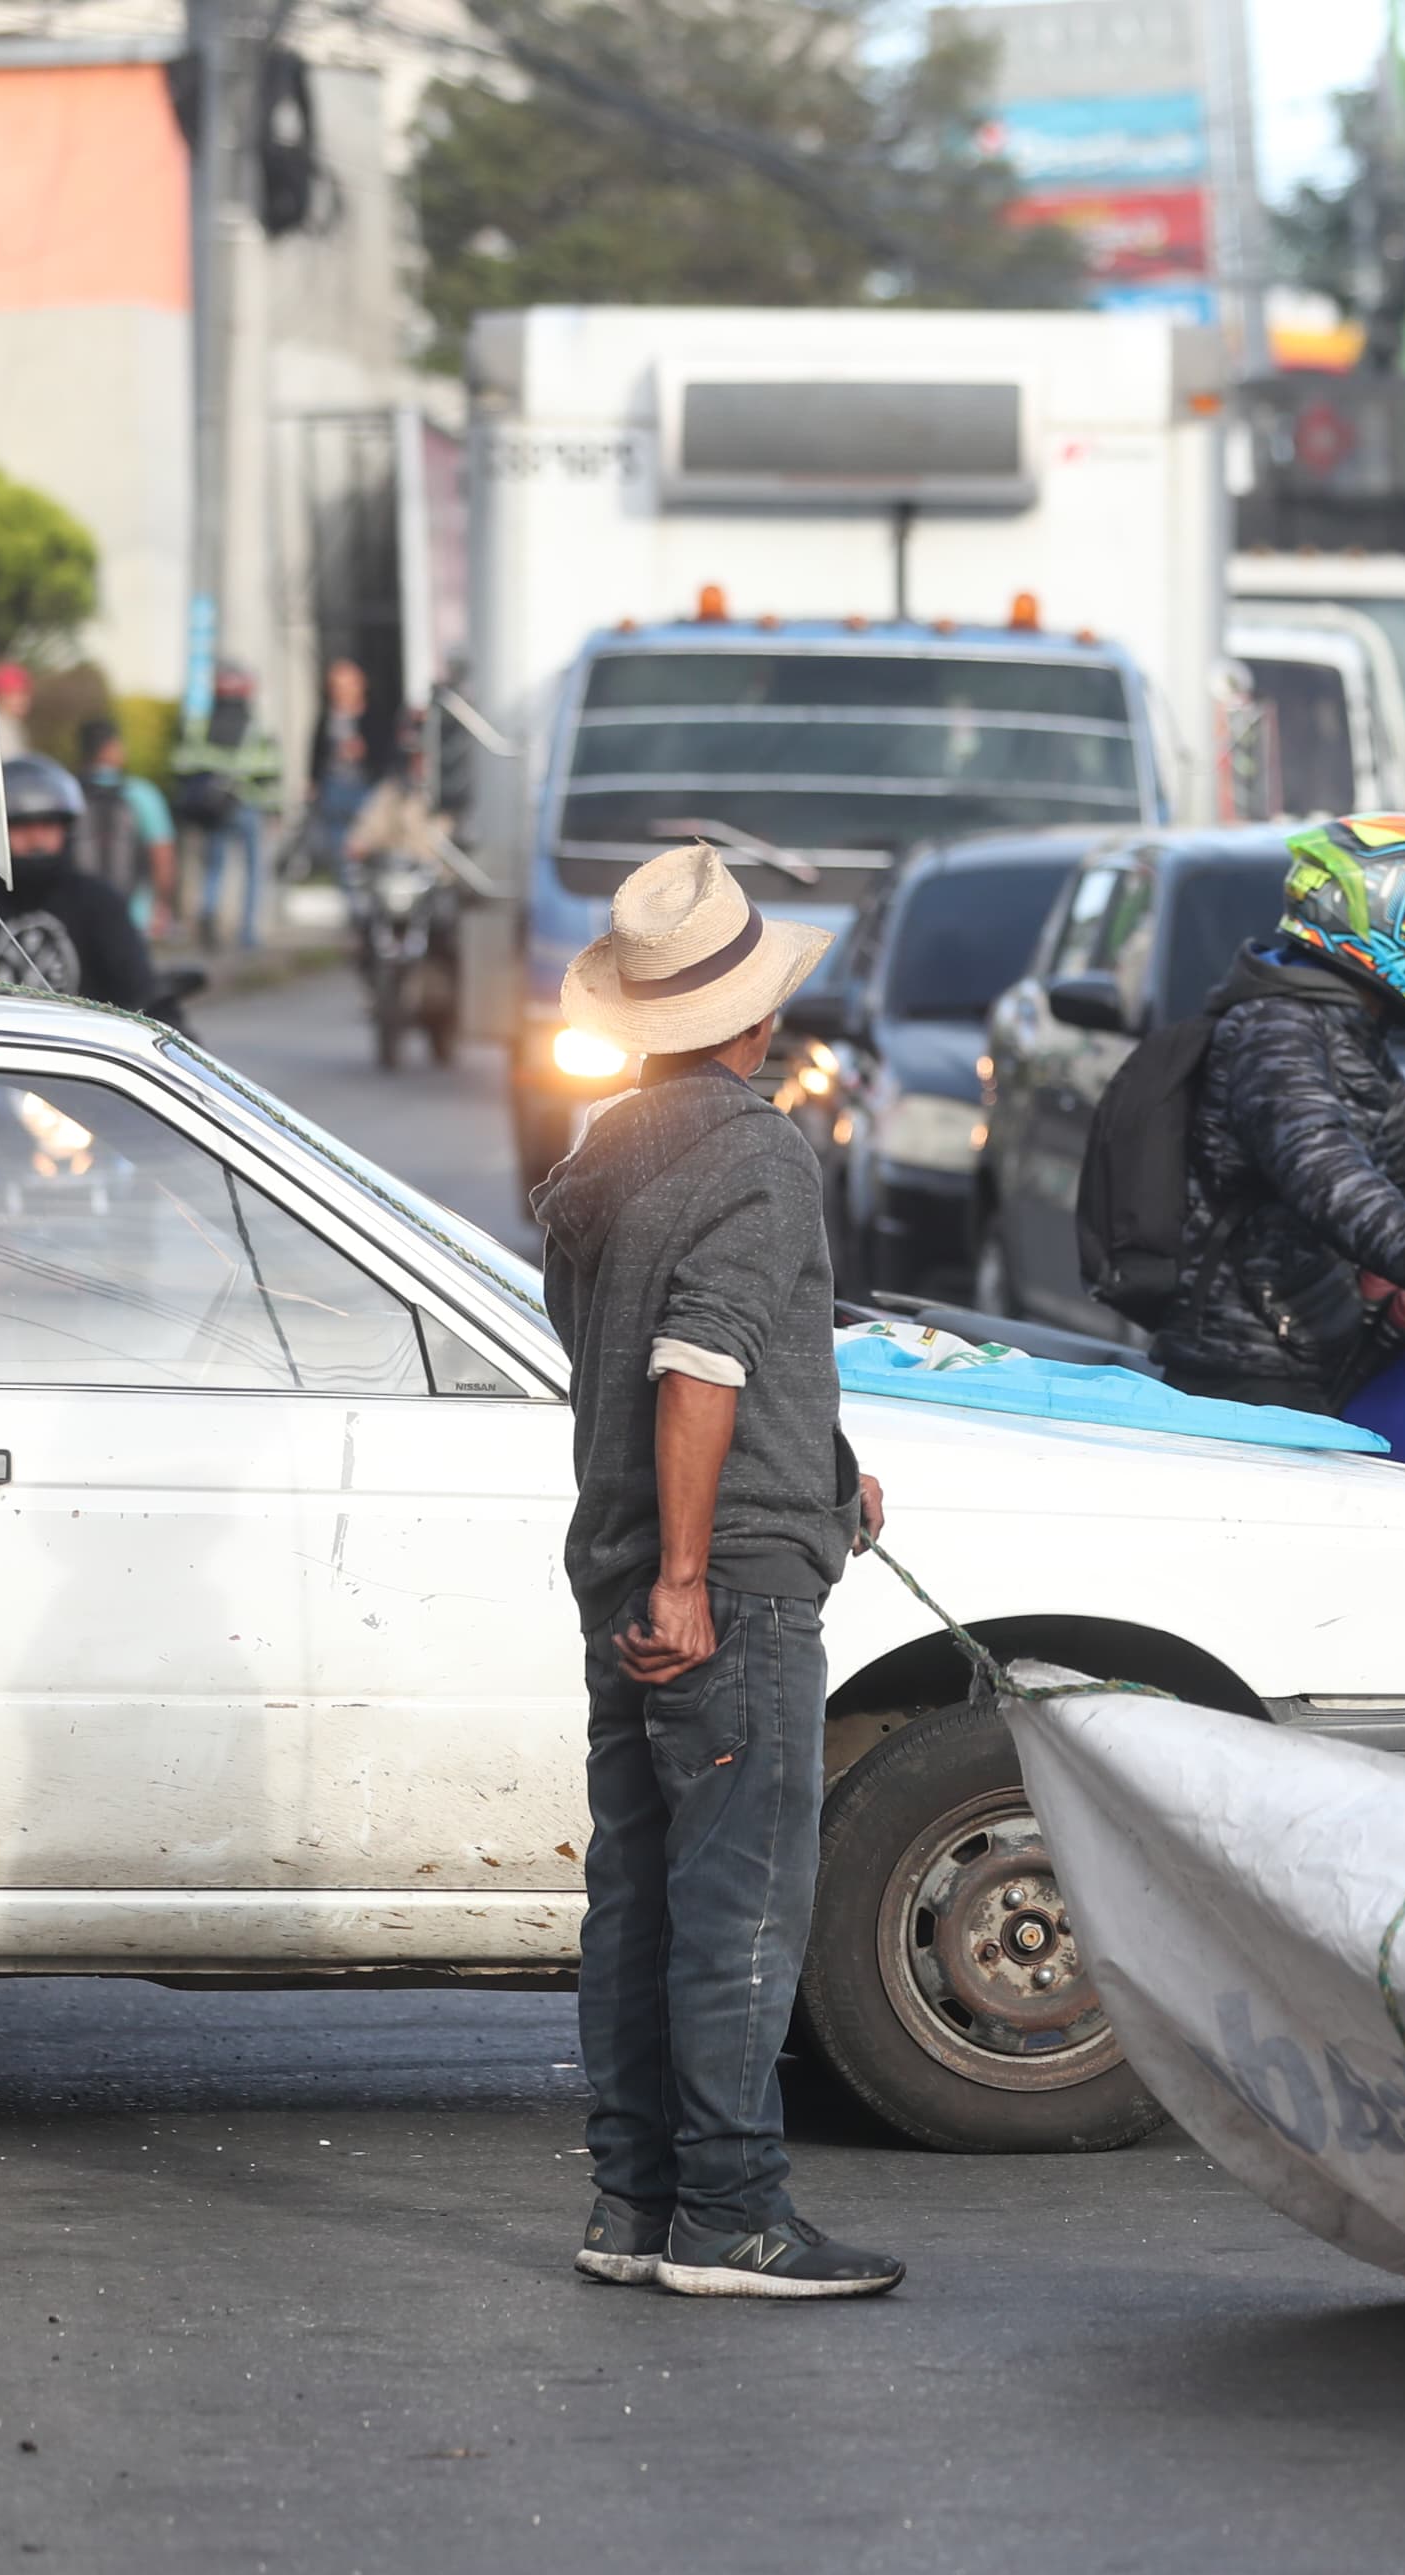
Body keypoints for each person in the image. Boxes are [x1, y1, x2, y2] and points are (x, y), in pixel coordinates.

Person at [529, 842, 903, 2302]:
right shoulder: (757, 1149)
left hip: (622, 1552)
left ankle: (632, 2202)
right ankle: (733, 2212)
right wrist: (695, 1570)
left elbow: (652, 1356)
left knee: (639, 1892)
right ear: (749, 1016)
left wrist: (821, 1461)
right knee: (739, 1897)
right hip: (717, 1579)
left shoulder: (602, 1150)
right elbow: (698, 1366)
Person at [1154, 813, 1405, 1411]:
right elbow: (1334, 1184)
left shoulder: (1338, 1034)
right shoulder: (1274, 1032)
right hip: (1247, 1375)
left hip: (1308, 1349)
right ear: (1389, 917)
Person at [0, 755, 165, 1014]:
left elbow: (142, 995)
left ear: (67, 829)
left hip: (77, 1052)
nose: (36, 839)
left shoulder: (98, 903)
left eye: (48, 825)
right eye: (20, 826)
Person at [171, 665, 282, 952]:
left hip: (214, 808)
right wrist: (275, 809)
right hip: (248, 805)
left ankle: (209, 912)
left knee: (214, 867)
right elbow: (270, 771)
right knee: (253, 870)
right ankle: (248, 934)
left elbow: (181, 765)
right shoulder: (256, 729)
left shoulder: (200, 726)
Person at [75, 718, 176, 941]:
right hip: (134, 917)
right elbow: (162, 856)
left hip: (77, 917)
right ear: (113, 748)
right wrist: (162, 906)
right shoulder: (142, 794)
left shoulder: (67, 794)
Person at [305, 657, 374, 884]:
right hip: (334, 786)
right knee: (338, 844)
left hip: (364, 785)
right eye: (336, 686)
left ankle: (367, 889)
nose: (341, 691)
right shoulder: (328, 717)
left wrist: (364, 750)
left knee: (365, 840)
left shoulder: (372, 715)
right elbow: (316, 750)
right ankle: (350, 894)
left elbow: (384, 750)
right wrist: (312, 781)